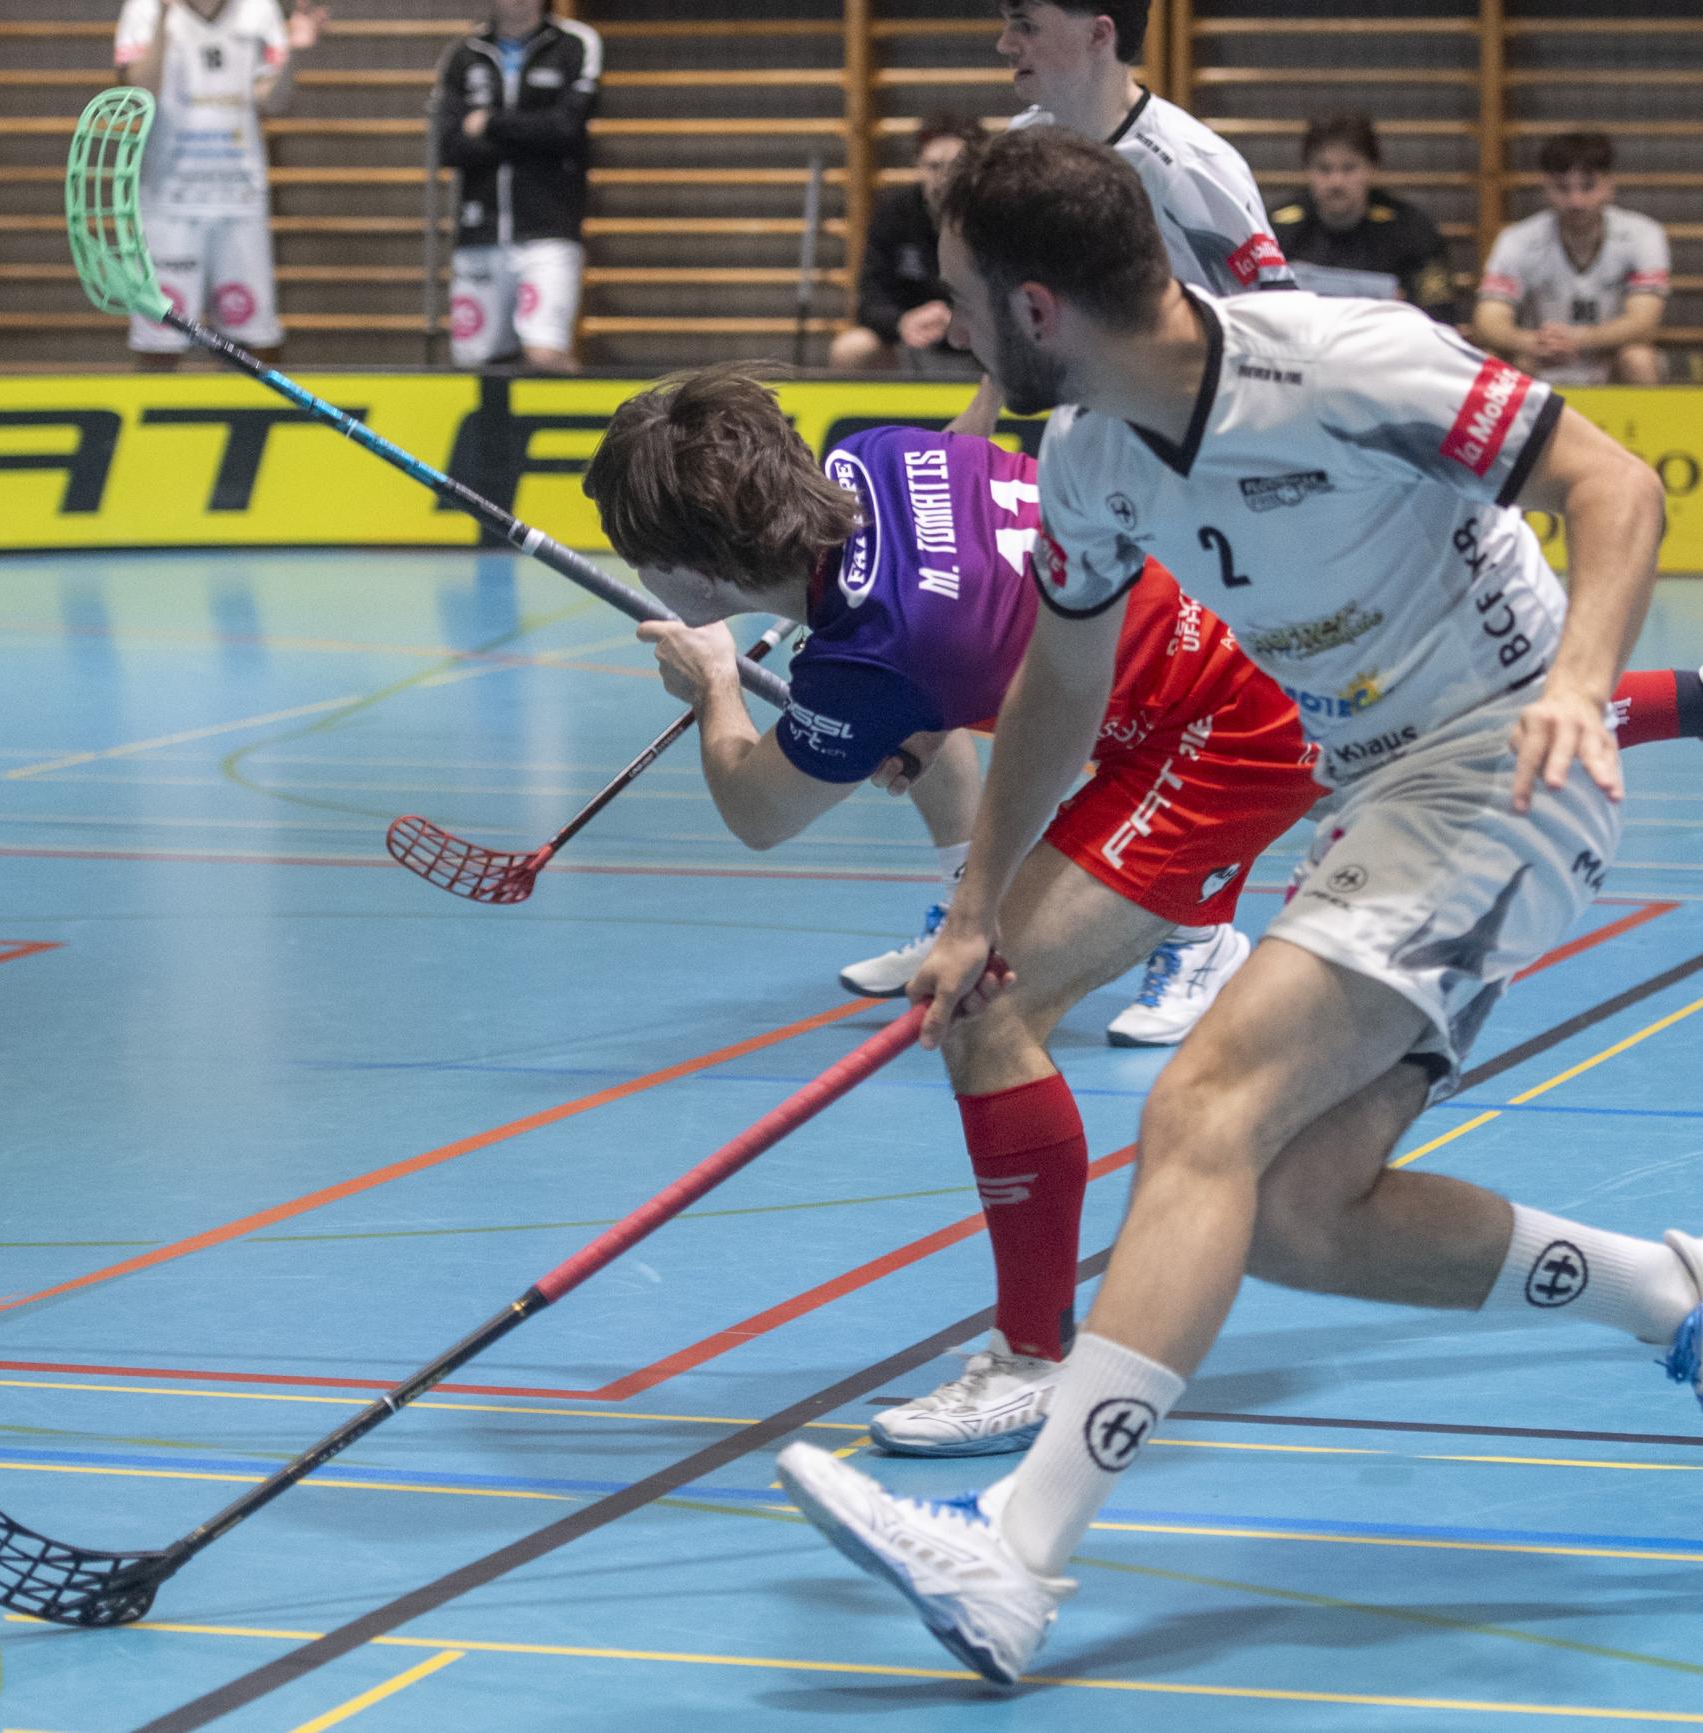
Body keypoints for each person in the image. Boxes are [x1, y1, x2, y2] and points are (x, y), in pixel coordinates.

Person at [773, 125, 1693, 1688]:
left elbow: (1610, 483)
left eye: (966, 300)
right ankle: (1665, 1294)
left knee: (1203, 1108)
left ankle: (1016, 1555)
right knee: (1292, 1212)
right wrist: (975, 903)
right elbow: (1061, 681)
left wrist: (1586, 682)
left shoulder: (1343, 362)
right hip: (1377, 790)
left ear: (1039, 307)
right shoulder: (1093, 457)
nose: (956, 328)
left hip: (1503, 764)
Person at [591, 367, 1700, 1458]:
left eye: (639, 557)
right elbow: (975, 604)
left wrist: (714, 686)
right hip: (1233, 622)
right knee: (1456, 738)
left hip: (1211, 729)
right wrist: (918, 712)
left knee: (989, 1013)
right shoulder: (879, 455)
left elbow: (758, 811)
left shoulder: (864, 657)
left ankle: (1032, 1357)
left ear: (694, 572)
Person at [859, 0, 1293, 1046]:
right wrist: (976, 427)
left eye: (1024, 21)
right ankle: (982, 910)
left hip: (1207, 473)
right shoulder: (1026, 145)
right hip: (1095, 463)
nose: (1002, 42)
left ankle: (1198, 932)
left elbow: (1281, 324)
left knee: (1204, 712)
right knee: (1077, 695)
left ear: (1099, 30)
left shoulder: (1193, 170)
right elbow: (1003, 315)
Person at [116, 0, 325, 370]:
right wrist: (164, 16)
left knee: (253, 344)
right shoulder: (144, 8)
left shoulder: (259, 9)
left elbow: (272, 101)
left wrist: (294, 51)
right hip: (168, 203)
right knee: (159, 344)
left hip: (239, 199)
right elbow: (139, 90)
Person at [434, 0, 602, 373]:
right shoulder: (464, 54)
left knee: (544, 354)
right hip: (479, 232)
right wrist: (531, 136)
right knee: (473, 361)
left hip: (548, 231)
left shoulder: (575, 44)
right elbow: (450, 147)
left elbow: (566, 129)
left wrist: (490, 123)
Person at [1476, 131, 1671, 388]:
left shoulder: (1643, 235)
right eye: (1562, 188)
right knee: (1492, 360)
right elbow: (1488, 320)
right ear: (1546, 187)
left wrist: (1577, 339)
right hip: (1540, 360)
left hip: (1607, 360)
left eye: (1588, 187)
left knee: (1638, 360)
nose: (1575, 201)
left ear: (1609, 186)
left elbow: (1644, 323)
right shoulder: (1517, 239)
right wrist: (1531, 342)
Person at [829, 116, 984, 377]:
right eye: (934, 166)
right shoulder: (895, 214)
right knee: (852, 348)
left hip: (981, 342)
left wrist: (962, 320)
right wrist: (902, 322)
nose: (944, 178)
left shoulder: (995, 215)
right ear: (918, 166)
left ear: (976, 170)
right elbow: (869, 300)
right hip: (913, 339)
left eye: (956, 167)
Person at [1271, 112, 1458, 322]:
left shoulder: (1411, 229)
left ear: (1372, 168)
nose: (1336, 182)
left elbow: (1440, 314)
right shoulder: (1276, 230)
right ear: (1307, 170)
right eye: (1324, 169)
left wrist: (1407, 309)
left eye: (1349, 168)